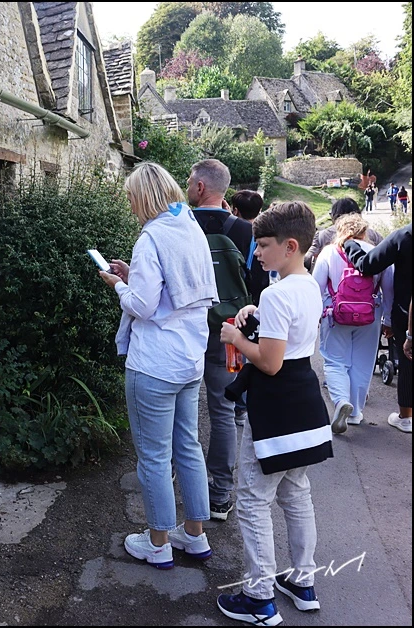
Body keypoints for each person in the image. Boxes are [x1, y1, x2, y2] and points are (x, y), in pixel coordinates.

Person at [97, 161, 218, 569]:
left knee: (153, 456)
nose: (131, 206)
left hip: (153, 365)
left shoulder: (150, 237)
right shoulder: (190, 227)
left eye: (132, 198)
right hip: (190, 361)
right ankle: (194, 535)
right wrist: (134, 275)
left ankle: (158, 542)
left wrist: (119, 285)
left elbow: (143, 306)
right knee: (188, 447)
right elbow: (176, 286)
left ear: (144, 197)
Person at [218, 201, 333, 625]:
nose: (257, 253)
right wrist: (255, 314)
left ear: (290, 246)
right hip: (304, 403)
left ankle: (259, 597)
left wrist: (235, 337)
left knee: (252, 499)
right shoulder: (306, 285)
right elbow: (289, 336)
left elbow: (269, 362)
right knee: (296, 492)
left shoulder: (276, 292)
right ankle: (303, 582)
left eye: (263, 245)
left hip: (275, 406)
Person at [188, 159, 252, 521]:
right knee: (223, 411)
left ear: (200, 188)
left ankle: (173, 472)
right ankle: (220, 494)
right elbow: (256, 286)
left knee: (178, 408)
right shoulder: (244, 230)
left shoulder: (181, 225)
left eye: (189, 182)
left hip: (183, 329)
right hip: (227, 330)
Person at [313, 214, 393, 433]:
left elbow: (316, 287)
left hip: (335, 313)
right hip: (370, 313)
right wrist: (388, 319)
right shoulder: (376, 252)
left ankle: (341, 401)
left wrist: (316, 315)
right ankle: (356, 412)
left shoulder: (329, 252)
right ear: (364, 232)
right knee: (363, 362)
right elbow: (389, 289)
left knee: (334, 360)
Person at [343, 223, 413, 433]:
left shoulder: (404, 236)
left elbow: (367, 265)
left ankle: (406, 417)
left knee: (408, 362)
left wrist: (350, 245)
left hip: (405, 312)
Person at [230, 189, 269, 427]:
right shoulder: (261, 236)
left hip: (229, 299)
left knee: (230, 353)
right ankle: (242, 406)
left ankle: (234, 399)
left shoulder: (230, 230)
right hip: (252, 301)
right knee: (246, 353)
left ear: (235, 210)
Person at [304, 198, 384, 270]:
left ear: (334, 216)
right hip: (368, 279)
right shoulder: (373, 235)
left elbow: (307, 259)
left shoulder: (322, 235)